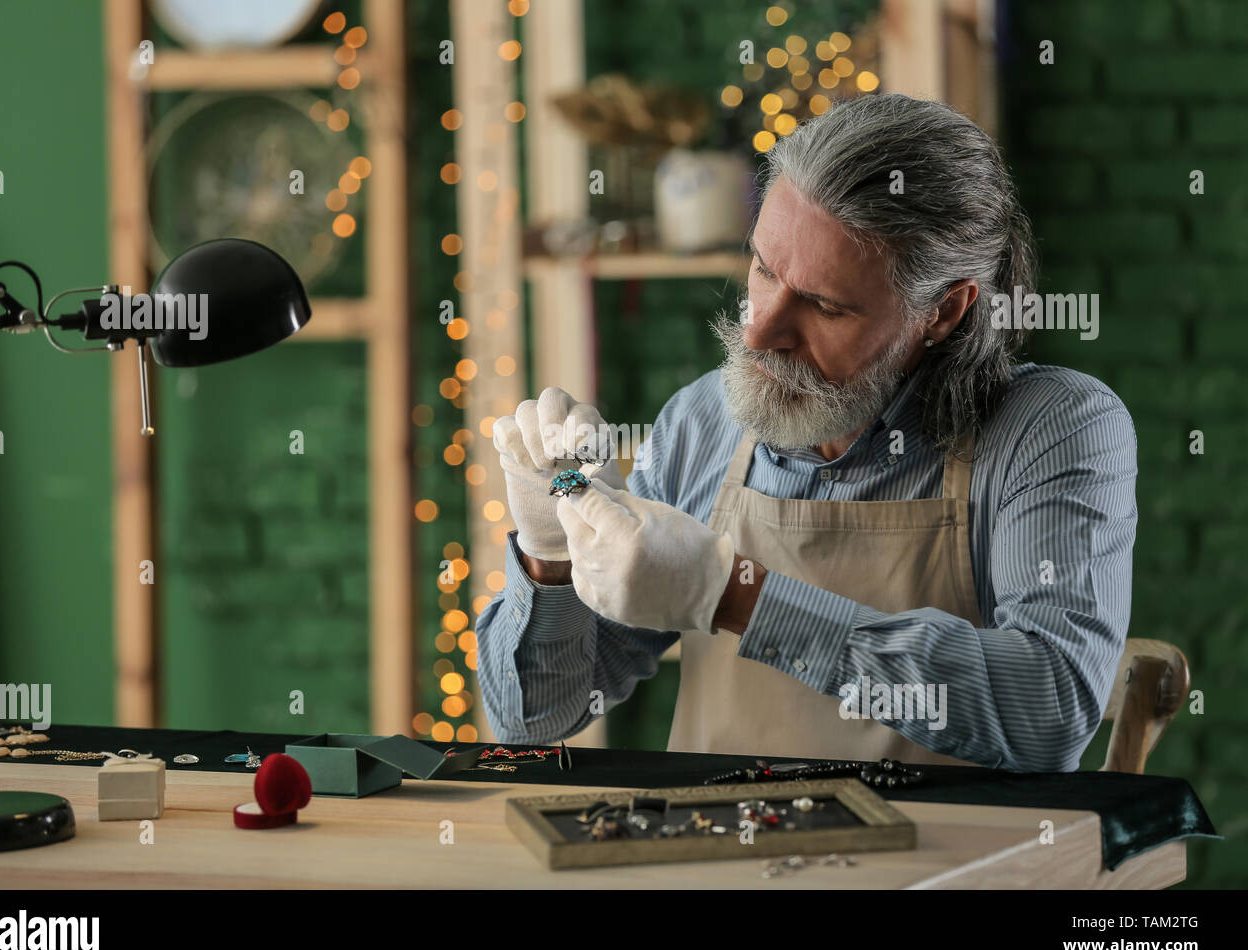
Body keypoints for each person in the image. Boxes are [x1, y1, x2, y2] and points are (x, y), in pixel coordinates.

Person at [476, 94, 1136, 771]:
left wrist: (734, 595)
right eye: (764, 269)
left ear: (943, 311)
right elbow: (536, 718)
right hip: (717, 864)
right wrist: (548, 557)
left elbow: (1052, 712)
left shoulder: (1051, 428)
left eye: (823, 305)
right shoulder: (703, 422)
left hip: (945, 869)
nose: (761, 331)